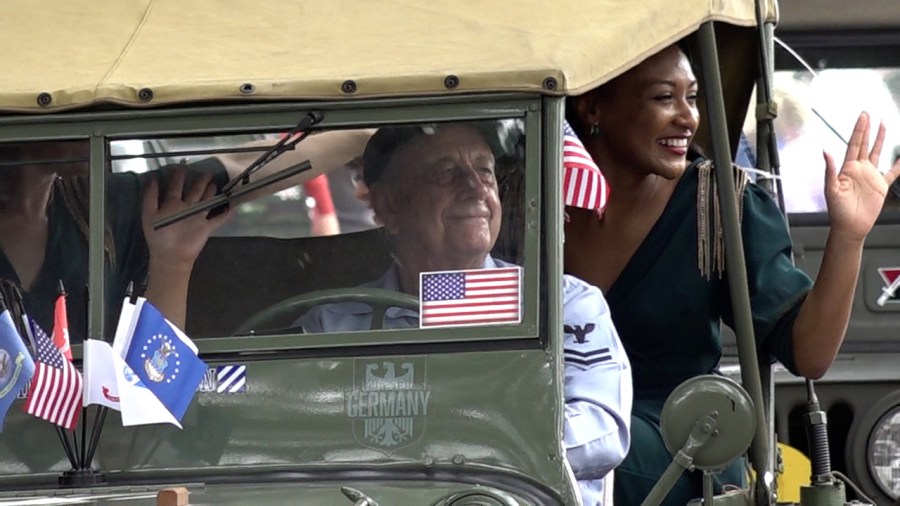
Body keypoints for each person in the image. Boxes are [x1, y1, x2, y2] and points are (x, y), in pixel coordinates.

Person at [564, 43, 900, 505]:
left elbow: (809, 353)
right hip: (547, 430)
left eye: (693, 97)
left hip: (680, 444)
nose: (688, 118)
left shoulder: (718, 203)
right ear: (592, 105)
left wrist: (849, 235)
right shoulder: (521, 201)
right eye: (665, 98)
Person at [295, 123, 632, 504]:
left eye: (485, 171)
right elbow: (266, 418)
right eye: (445, 172)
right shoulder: (334, 323)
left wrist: (466, 452)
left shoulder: (560, 305)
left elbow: (601, 429)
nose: (476, 188)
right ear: (389, 206)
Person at [0, 129, 373, 342]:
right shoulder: (106, 207)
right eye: (67, 101)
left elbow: (248, 169)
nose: (91, 113)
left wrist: (369, 132)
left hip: (104, 454)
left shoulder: (105, 207)